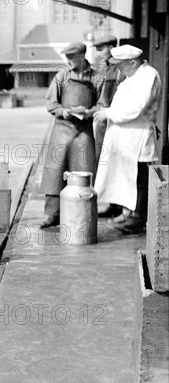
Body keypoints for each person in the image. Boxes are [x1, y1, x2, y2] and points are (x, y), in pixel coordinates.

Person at [93, 45, 162, 234]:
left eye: (121, 65)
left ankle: (138, 218)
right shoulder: (132, 76)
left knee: (138, 178)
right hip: (125, 137)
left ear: (132, 61)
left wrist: (109, 113)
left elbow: (136, 107)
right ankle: (127, 211)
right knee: (124, 176)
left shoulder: (149, 75)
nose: (118, 69)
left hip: (138, 136)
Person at [40, 42, 104, 228]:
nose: (67, 60)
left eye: (71, 57)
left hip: (84, 130)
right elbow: (50, 103)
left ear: (82, 56)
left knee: (84, 171)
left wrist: (89, 112)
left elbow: (102, 104)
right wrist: (63, 111)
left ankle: (82, 213)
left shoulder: (97, 78)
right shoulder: (61, 76)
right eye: (66, 57)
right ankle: (53, 214)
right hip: (62, 128)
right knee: (55, 171)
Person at [92, 34, 125, 218]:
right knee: (104, 162)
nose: (99, 53)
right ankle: (113, 203)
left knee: (116, 162)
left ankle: (120, 205)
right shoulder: (106, 69)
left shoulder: (119, 69)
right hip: (103, 121)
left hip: (114, 121)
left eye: (101, 49)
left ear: (112, 47)